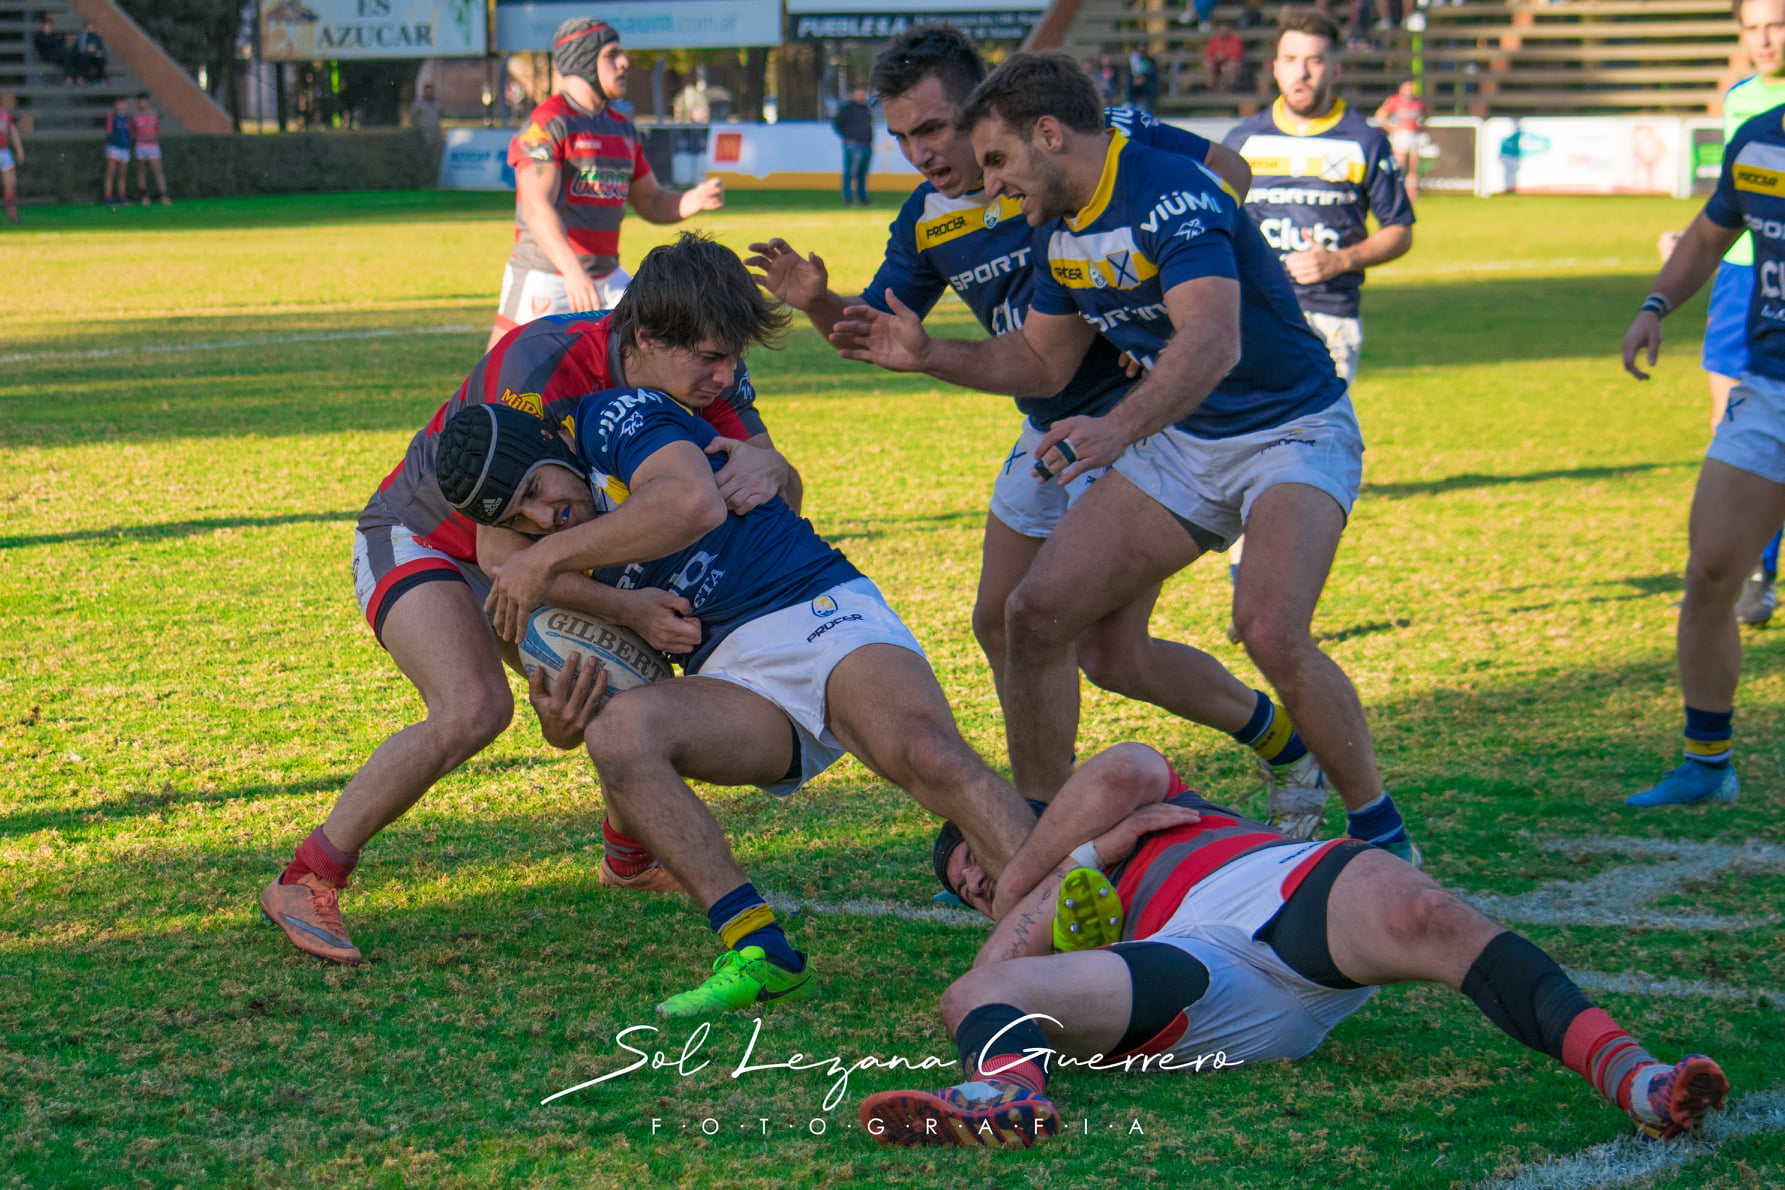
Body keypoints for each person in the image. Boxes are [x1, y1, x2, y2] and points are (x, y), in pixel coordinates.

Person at [430, 235, 1044, 1018]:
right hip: (729, 675)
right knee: (619, 737)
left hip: (810, 611)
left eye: (541, 499)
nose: (725, 380)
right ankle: (761, 948)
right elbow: (555, 676)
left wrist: (545, 559)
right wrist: (562, 704)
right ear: (646, 339)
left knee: (925, 756)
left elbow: (690, 501)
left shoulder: (623, 412)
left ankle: (1069, 932)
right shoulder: (545, 560)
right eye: (523, 521)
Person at [833, 52, 1424, 864]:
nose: (990, 184)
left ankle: (1378, 829)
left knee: (1266, 625)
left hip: (1290, 430)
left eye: (999, 160)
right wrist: (927, 352)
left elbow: (1212, 339)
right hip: (1181, 441)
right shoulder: (1059, 228)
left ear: (1048, 134)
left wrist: (1117, 429)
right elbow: (1039, 363)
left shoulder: (1167, 191)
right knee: (1032, 617)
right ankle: (1036, 839)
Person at [257, 237, 806, 968]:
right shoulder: (537, 367)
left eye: (732, 358)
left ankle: (627, 853)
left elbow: (783, 497)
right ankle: (306, 878)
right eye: (711, 358)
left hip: (546, 550)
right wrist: (629, 609)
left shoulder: (708, 376)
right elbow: (501, 557)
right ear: (645, 338)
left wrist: (766, 466)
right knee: (473, 707)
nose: (726, 376)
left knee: (631, 690)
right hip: (429, 538)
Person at [856, 743, 1730, 1148]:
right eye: (970, 891)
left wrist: (1035, 866)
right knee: (969, 1003)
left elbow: (1127, 766)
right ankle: (1005, 1103)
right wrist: (1070, 871)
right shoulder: (1060, 882)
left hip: (1281, 890)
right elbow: (987, 985)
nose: (985, 887)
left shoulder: (1130, 804)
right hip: (1196, 972)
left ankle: (1638, 1080)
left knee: (1426, 913)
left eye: (983, 857)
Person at [1618, 41, 1785, 807]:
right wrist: (1656, 307)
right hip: (1769, 390)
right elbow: (1708, 236)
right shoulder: (1760, 142)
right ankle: (1706, 761)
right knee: (1710, 571)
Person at [1656, 0, 1785, 628]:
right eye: (1753, 28)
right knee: (1732, 420)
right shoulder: (1742, 101)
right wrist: (1675, 265)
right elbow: (1724, 206)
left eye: (1777, 25)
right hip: (1742, 276)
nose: (1764, 39)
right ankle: (1754, 574)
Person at [487, 18, 725, 353]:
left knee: (657, 354)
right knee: (500, 377)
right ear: (582, 61)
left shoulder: (621, 127)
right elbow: (537, 208)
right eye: (612, 55)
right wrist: (572, 271)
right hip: (547, 274)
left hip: (605, 276)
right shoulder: (549, 121)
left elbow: (652, 201)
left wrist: (693, 200)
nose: (624, 62)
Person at [1225, 10, 1414, 388]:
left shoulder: (1365, 141)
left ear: (1335, 69)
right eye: (1291, 60)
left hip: (1330, 315)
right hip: (1251, 313)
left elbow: (1399, 231)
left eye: (1314, 61)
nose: (1302, 73)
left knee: (1316, 438)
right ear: (1276, 67)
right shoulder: (1242, 142)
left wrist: (1339, 260)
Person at [1374, 79, 1427, 201]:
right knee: (1400, 165)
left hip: (1414, 135)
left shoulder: (1418, 102)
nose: (1410, 90)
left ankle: (1412, 192)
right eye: (1408, 87)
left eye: (1412, 88)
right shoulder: (1395, 100)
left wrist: (1421, 126)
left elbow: (1424, 115)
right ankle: (1396, 190)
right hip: (1401, 136)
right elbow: (1380, 115)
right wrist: (1391, 128)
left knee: (1414, 165)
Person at [834, 85, 874, 206]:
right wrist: (849, 135)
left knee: (863, 173)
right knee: (851, 172)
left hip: (866, 145)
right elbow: (838, 124)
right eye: (858, 94)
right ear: (853, 95)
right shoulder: (848, 109)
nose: (861, 97)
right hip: (853, 145)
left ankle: (863, 198)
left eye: (863, 94)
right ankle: (848, 197)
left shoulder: (866, 109)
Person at [130, 94, 169, 206]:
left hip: (153, 146)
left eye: (145, 101)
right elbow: (131, 131)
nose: (143, 103)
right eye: (141, 101)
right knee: (142, 170)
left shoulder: (153, 113)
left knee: (157, 169)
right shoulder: (135, 116)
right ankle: (143, 195)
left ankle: (164, 195)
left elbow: (157, 128)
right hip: (140, 146)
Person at [102, 96, 131, 206]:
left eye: (123, 103)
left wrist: (128, 142)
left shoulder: (128, 118)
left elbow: (131, 132)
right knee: (110, 173)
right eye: (119, 103)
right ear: (116, 104)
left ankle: (122, 195)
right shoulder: (112, 117)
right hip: (114, 148)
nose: (122, 105)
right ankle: (108, 196)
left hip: (125, 149)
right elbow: (109, 132)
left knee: (122, 174)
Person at [1203, 23, 1246, 92]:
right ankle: (1210, 86)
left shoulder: (1234, 39)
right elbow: (1208, 55)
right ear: (1218, 31)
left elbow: (1236, 55)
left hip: (1229, 63)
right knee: (1208, 64)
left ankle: (1231, 87)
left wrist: (1225, 57)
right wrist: (1216, 59)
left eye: (1225, 30)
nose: (1223, 32)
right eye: (1222, 30)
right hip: (1217, 64)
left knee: (1233, 64)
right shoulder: (1213, 41)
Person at [0, 92, 20, 225]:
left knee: (10, 184)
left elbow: (12, 131)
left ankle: (11, 214)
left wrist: (19, 149)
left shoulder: (5, 115)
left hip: (4, 152)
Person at [32, 14, 69, 82]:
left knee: (66, 53)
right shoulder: (39, 36)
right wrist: (56, 40)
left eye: (50, 26)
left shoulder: (53, 35)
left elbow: (61, 42)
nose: (49, 27)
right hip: (45, 57)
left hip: (57, 58)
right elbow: (48, 43)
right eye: (47, 26)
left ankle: (69, 77)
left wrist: (57, 40)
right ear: (42, 27)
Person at [408, 81, 443, 151]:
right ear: (424, 92)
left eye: (431, 91)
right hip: (424, 134)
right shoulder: (418, 103)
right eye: (427, 91)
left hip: (436, 134)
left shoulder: (438, 102)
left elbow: (441, 114)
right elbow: (413, 117)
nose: (429, 93)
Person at [1126, 49, 1159, 113]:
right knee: (1131, 85)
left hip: (1147, 82)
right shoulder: (1134, 59)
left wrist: (1144, 78)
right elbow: (1131, 73)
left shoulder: (1151, 61)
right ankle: (1129, 102)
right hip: (1136, 82)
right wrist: (1136, 79)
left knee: (1150, 86)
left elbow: (1153, 74)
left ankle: (1150, 107)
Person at [72, 21, 105, 85]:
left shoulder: (97, 37)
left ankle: (99, 79)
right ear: (85, 28)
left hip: (95, 56)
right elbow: (81, 49)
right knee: (86, 57)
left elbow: (101, 48)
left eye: (92, 27)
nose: (90, 29)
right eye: (89, 27)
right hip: (84, 56)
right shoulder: (83, 36)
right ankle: (83, 78)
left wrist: (98, 51)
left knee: (100, 59)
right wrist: (87, 50)